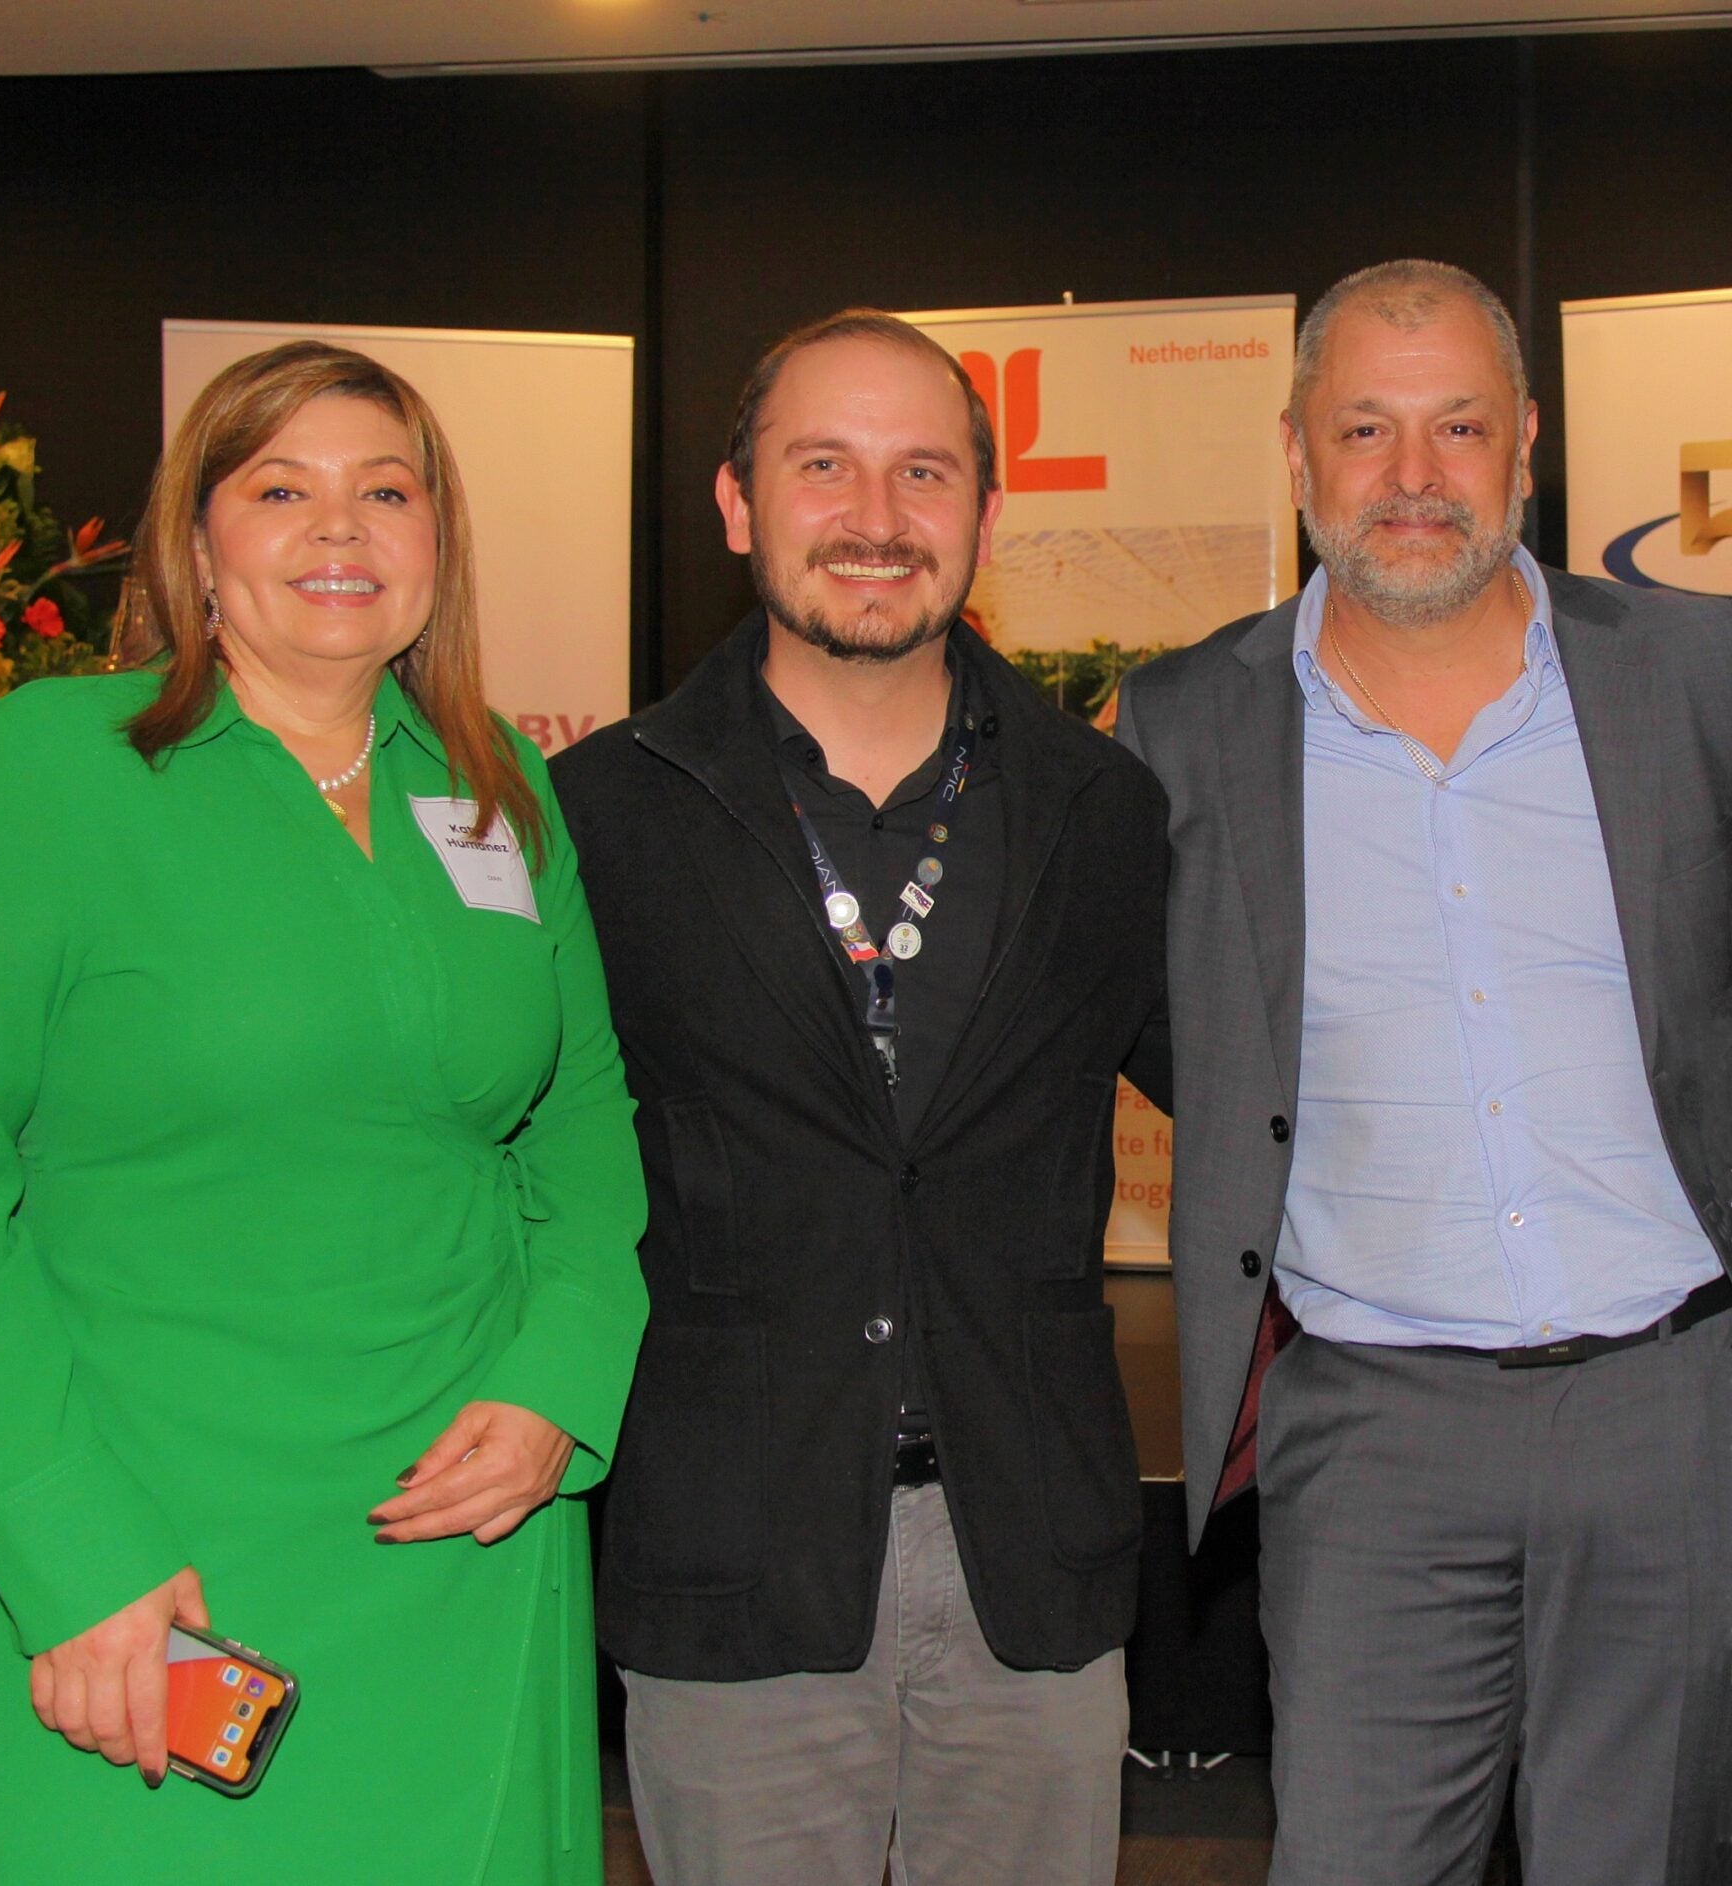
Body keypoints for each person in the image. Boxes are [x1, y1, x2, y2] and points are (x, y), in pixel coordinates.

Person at [0, 340, 649, 1885]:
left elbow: (585, 1133)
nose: (339, 532)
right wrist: (69, 1550)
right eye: (282, 489)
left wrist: (561, 1385)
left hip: (463, 1552)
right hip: (150, 1561)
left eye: (385, 493)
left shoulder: (495, 797)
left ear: (437, 543)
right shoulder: (42, 776)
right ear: (197, 543)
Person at [1116, 259, 1732, 1886]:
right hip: (1370, 1431)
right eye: (1366, 429)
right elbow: (1173, 1032)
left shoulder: (1698, 677)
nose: (1412, 476)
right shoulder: (1180, 728)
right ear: (1299, 450)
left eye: (1456, 426)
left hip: (1675, 1409)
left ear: (1525, 441)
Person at [551, 310, 1171, 1886]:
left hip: (1031, 1553)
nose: (877, 517)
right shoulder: (601, 813)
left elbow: (1253, 1079)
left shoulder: (1104, 808)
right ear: (738, 502)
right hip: (734, 1552)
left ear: (984, 513)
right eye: (822, 465)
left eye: (923, 471)